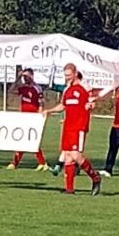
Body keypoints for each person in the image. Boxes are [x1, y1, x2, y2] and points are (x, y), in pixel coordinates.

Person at [43, 63, 102, 195]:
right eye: (65, 75)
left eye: (69, 75)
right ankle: (69, 189)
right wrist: (49, 111)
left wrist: (91, 105)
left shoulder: (84, 86)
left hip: (79, 126)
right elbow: (63, 106)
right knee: (68, 157)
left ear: (75, 73)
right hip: (68, 126)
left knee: (76, 155)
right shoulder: (67, 90)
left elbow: (92, 101)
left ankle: (95, 177)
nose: (67, 78)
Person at [8, 68, 48, 171]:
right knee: (23, 139)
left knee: (31, 139)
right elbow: (11, 90)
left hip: (33, 117)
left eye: (27, 76)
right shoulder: (23, 87)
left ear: (32, 76)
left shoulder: (36, 88)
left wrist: (39, 115)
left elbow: (41, 102)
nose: (25, 78)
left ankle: (42, 163)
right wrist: (18, 78)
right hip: (23, 117)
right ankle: (16, 163)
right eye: (24, 76)